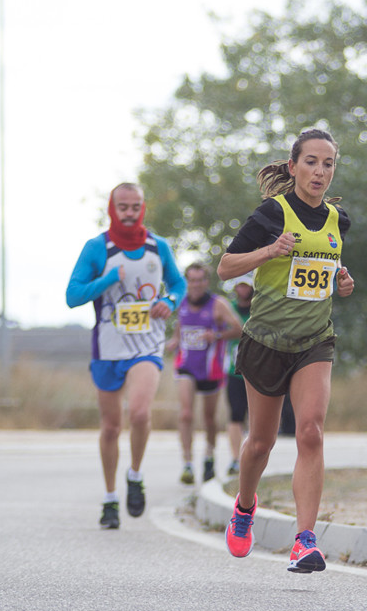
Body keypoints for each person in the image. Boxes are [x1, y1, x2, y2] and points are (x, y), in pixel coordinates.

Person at [217, 127, 355, 575]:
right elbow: (224, 267)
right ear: (293, 166)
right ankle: (243, 507)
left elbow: (327, 267)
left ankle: (305, 541)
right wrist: (269, 251)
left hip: (314, 341)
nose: (320, 171)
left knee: (311, 431)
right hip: (265, 342)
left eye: (328, 163)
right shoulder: (270, 214)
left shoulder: (338, 220)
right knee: (260, 442)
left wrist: (342, 281)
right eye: (311, 162)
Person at [66, 182, 186, 529]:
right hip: (108, 348)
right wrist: (106, 280)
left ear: (143, 207)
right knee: (110, 427)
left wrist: (170, 302)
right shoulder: (97, 247)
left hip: (146, 345)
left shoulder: (158, 247)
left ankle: (134, 474)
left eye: (136, 206)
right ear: (112, 208)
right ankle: (109, 499)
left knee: (139, 412)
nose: (130, 213)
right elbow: (73, 296)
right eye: (123, 207)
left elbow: (177, 285)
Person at [167, 262, 242, 485]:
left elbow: (238, 329)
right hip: (186, 366)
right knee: (186, 414)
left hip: (211, 370)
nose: (196, 284)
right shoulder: (181, 303)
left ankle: (209, 455)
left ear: (206, 282)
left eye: (200, 280)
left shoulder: (219, 305)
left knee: (209, 418)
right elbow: (181, 327)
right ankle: (188, 463)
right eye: (192, 280)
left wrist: (217, 336)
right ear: (187, 282)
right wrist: (174, 340)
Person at [223, 272, 254, 476]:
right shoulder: (228, 309)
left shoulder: (261, 308)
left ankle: (252, 457)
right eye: (239, 286)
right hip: (234, 371)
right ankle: (235, 459)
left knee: (256, 417)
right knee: (235, 414)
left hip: (256, 371)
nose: (243, 290)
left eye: (246, 286)